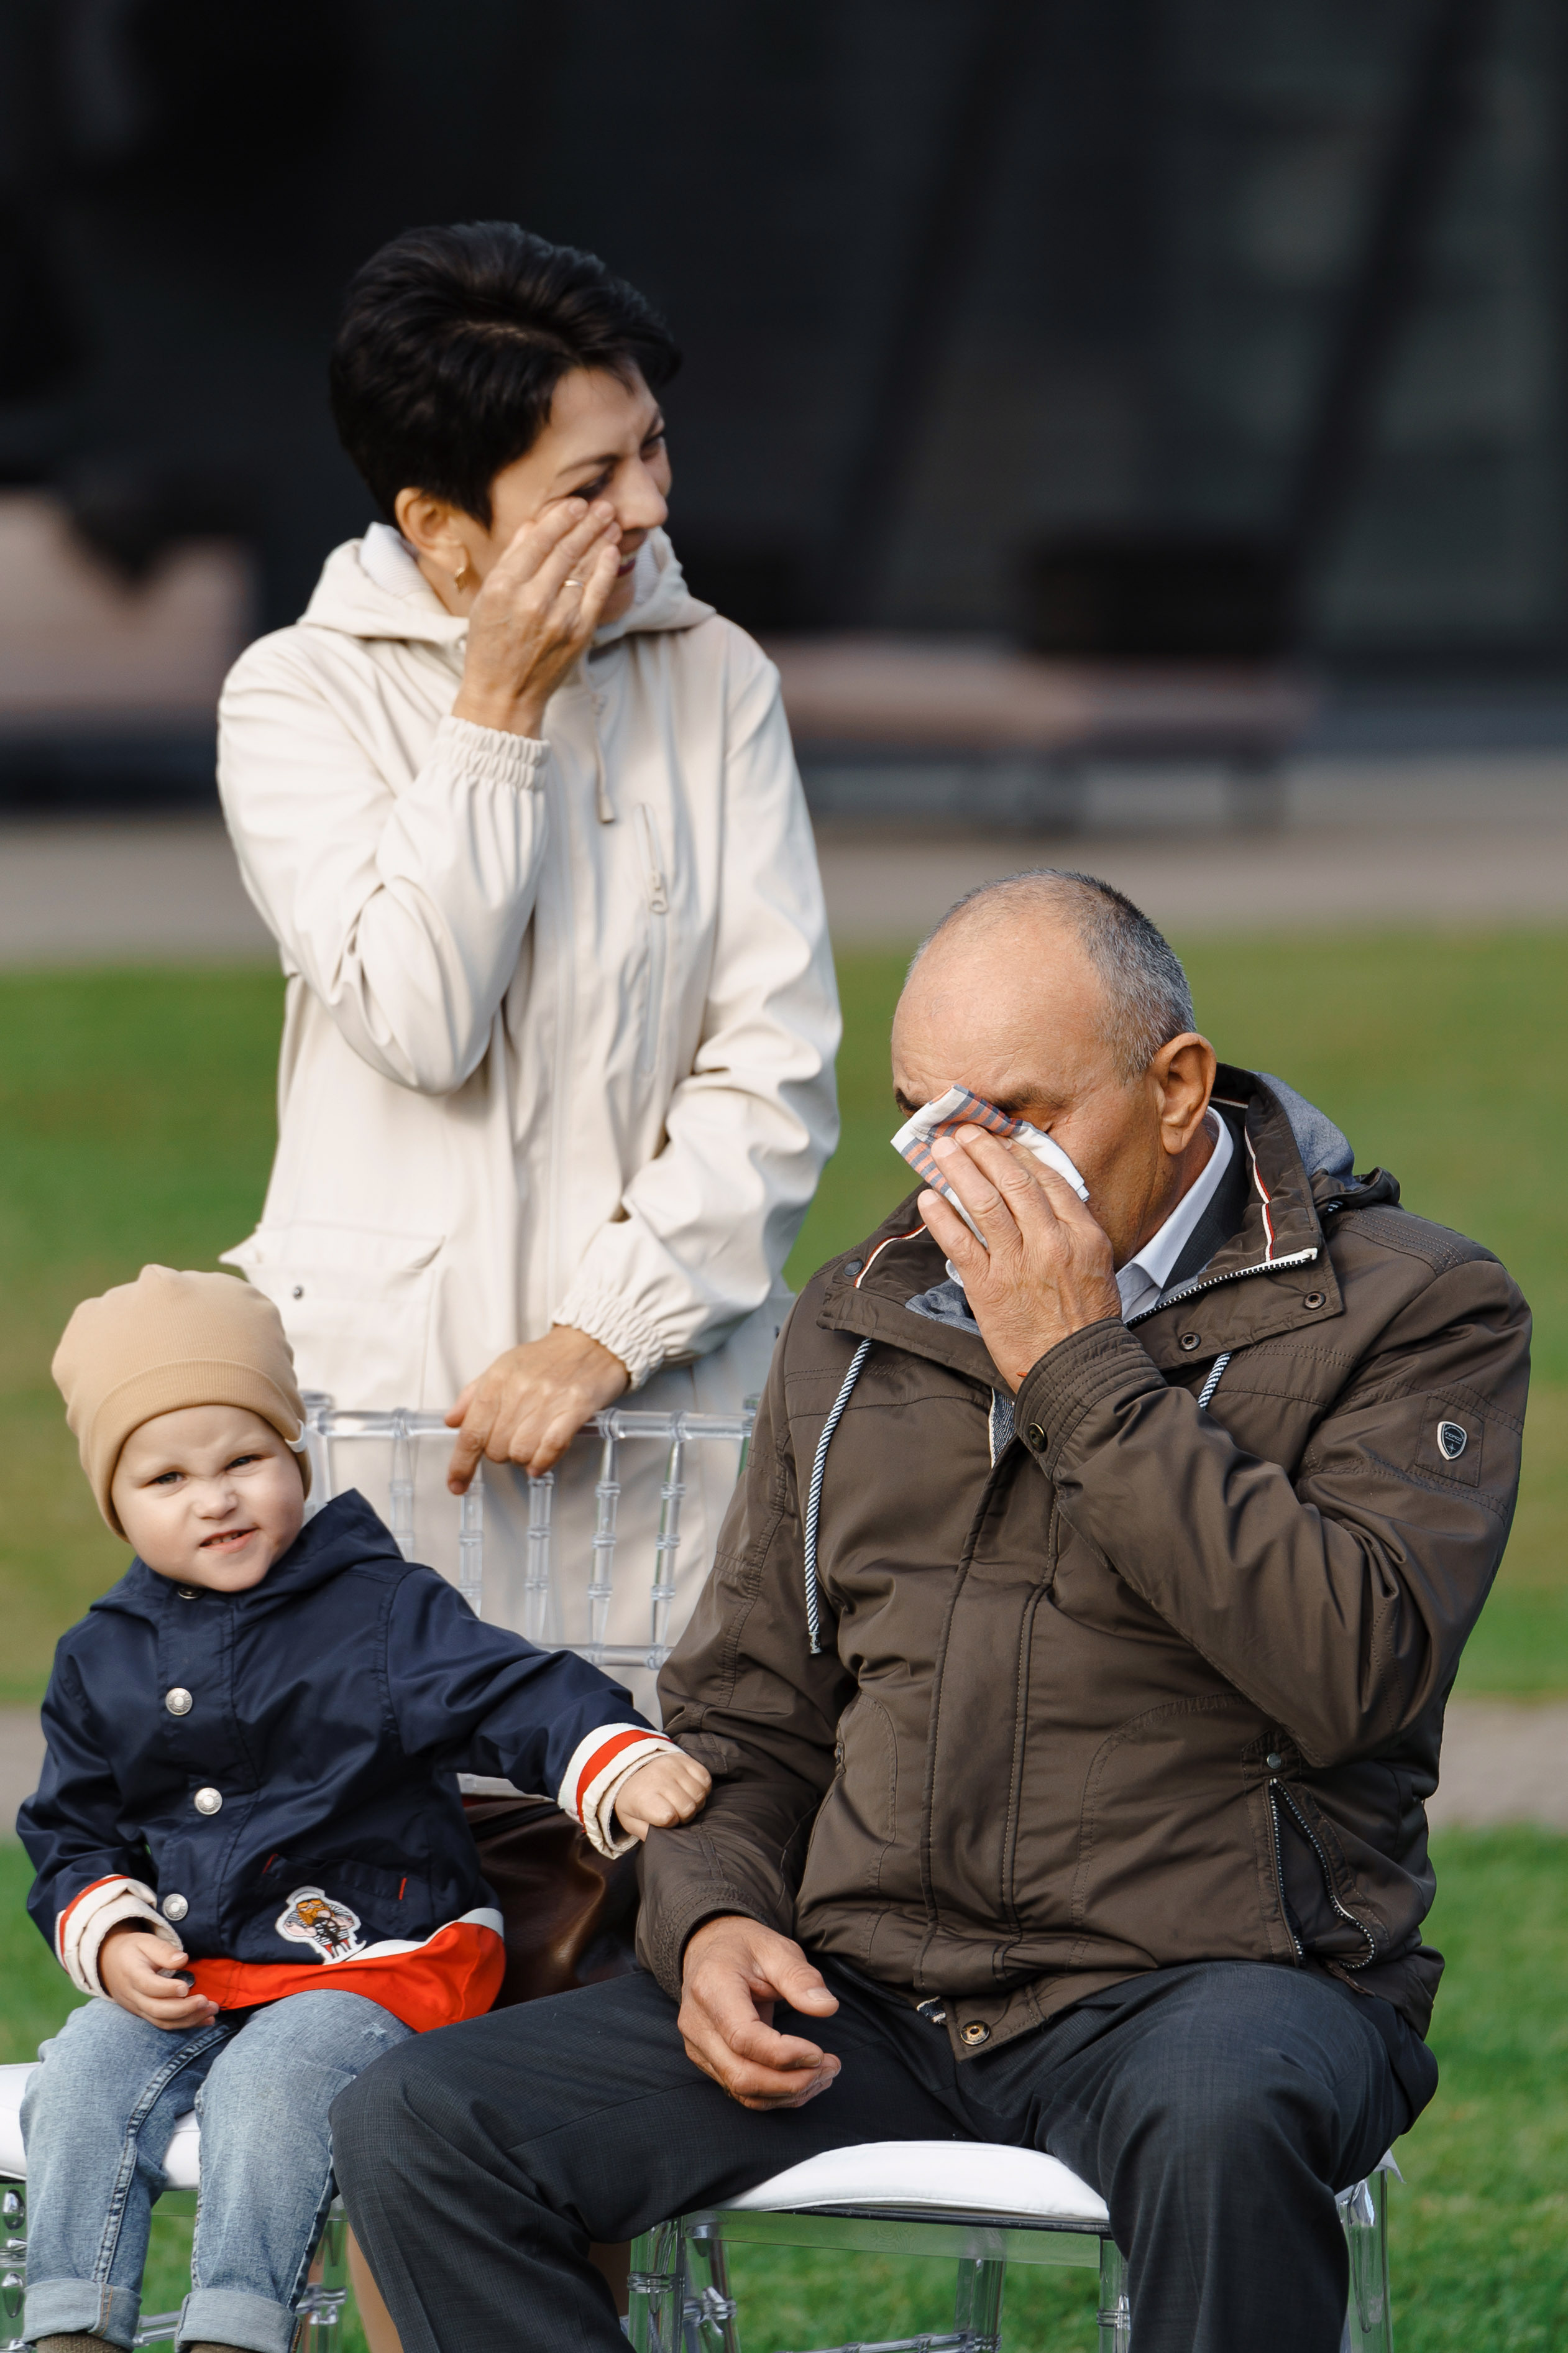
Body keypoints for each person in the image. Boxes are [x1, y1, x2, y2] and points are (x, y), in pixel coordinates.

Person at [330, 871, 1531, 2353]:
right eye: (924, 1116)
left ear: (1175, 1088)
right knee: (426, 2121)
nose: (958, 1175)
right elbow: (745, 1712)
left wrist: (1077, 1367)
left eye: (1014, 1116)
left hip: (1218, 1986)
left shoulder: (1416, 1308)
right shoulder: (857, 1312)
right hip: (874, 1990)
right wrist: (709, 1924)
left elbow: (1354, 1669)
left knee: (1223, 2115)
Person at [216, 223, 839, 1691]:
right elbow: (419, 1018)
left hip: (672, 1421)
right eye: (586, 482)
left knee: (671, 1859)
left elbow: (776, 1067)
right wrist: (496, 715)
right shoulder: (292, 698)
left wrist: (602, 1334)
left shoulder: (717, 678)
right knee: (398, 1879)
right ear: (441, 526)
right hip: (389, 1432)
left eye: (652, 451)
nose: (647, 504)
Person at [17, 1266, 707, 2353]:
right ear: (116, 1501)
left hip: (382, 1951)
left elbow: (510, 1690)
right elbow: (69, 1831)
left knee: (275, 2078)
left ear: (295, 1455)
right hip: (201, 1968)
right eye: (164, 1477)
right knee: (84, 2072)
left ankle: (237, 2328)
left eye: (245, 1458)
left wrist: (610, 1756)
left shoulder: (377, 1610)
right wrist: (109, 1928)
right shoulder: (102, 1656)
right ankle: (71, 2326)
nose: (216, 1497)